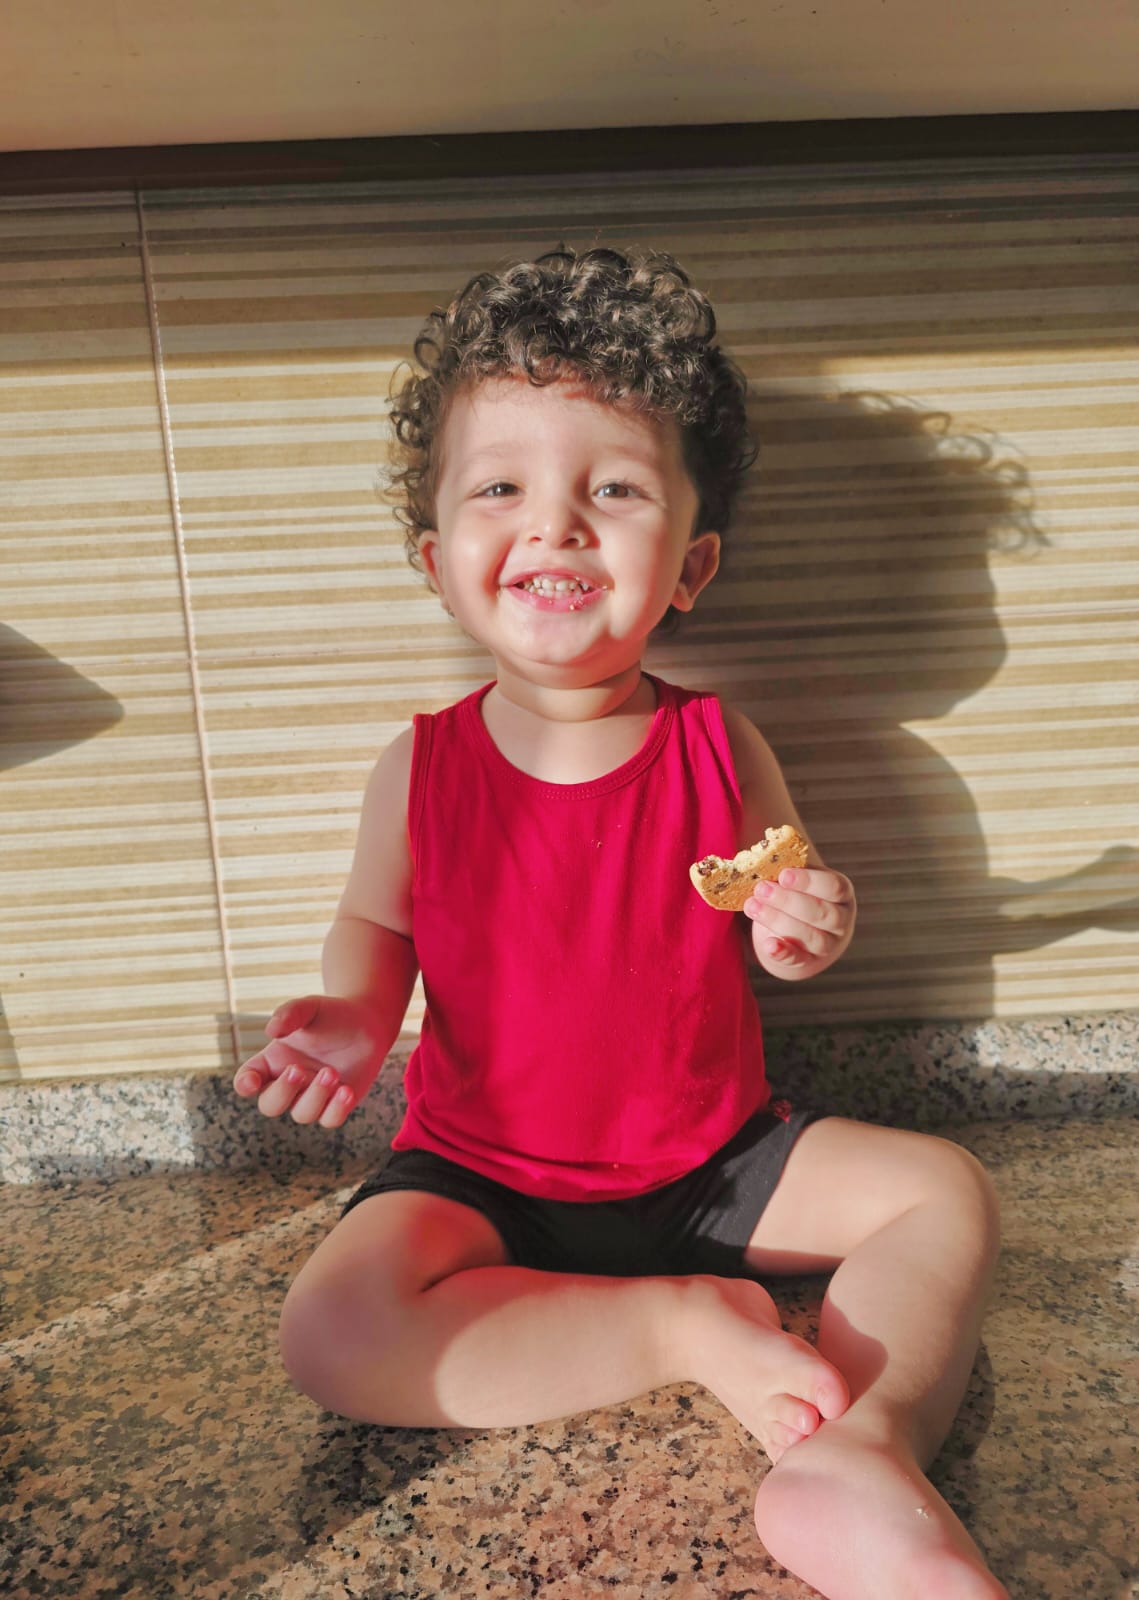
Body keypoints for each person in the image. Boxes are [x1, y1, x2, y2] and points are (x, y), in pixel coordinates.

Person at [234, 246, 1006, 1600]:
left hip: (720, 1164)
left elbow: (779, 913)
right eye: (502, 488)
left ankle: (864, 1448)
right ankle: (677, 1330)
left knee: (944, 1189)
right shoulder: (422, 766)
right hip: (481, 1178)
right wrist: (354, 1019)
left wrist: (805, 927)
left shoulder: (721, 746)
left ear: (690, 565)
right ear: (438, 560)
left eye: (615, 490)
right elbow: (377, 923)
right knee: (331, 1331)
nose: (557, 525)